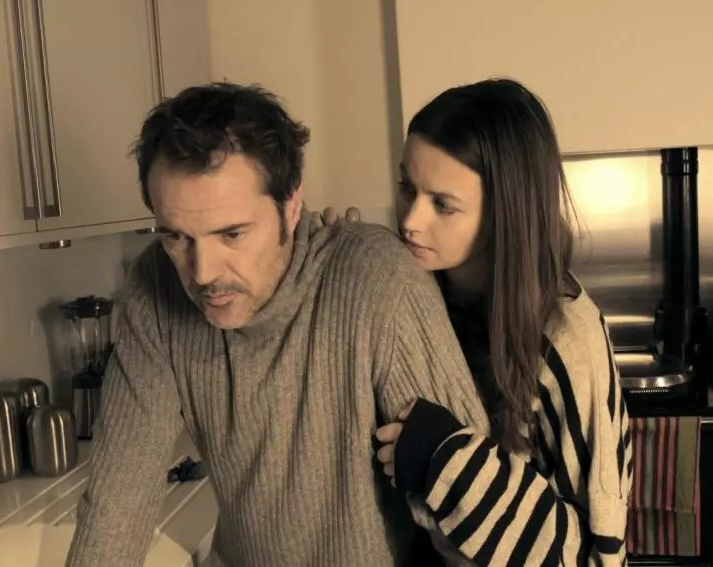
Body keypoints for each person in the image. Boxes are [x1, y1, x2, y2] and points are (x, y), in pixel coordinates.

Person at [64, 82, 491, 567]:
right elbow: (115, 505)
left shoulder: (378, 279)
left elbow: (471, 520)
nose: (202, 273)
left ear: (291, 205)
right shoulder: (155, 287)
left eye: (232, 233)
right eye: (176, 237)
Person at [326, 79, 633, 565]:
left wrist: (445, 460)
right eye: (406, 187)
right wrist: (338, 271)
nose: (410, 220)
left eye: (443, 205)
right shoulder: (417, 286)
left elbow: (598, 555)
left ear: (505, 212)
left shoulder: (567, 341)